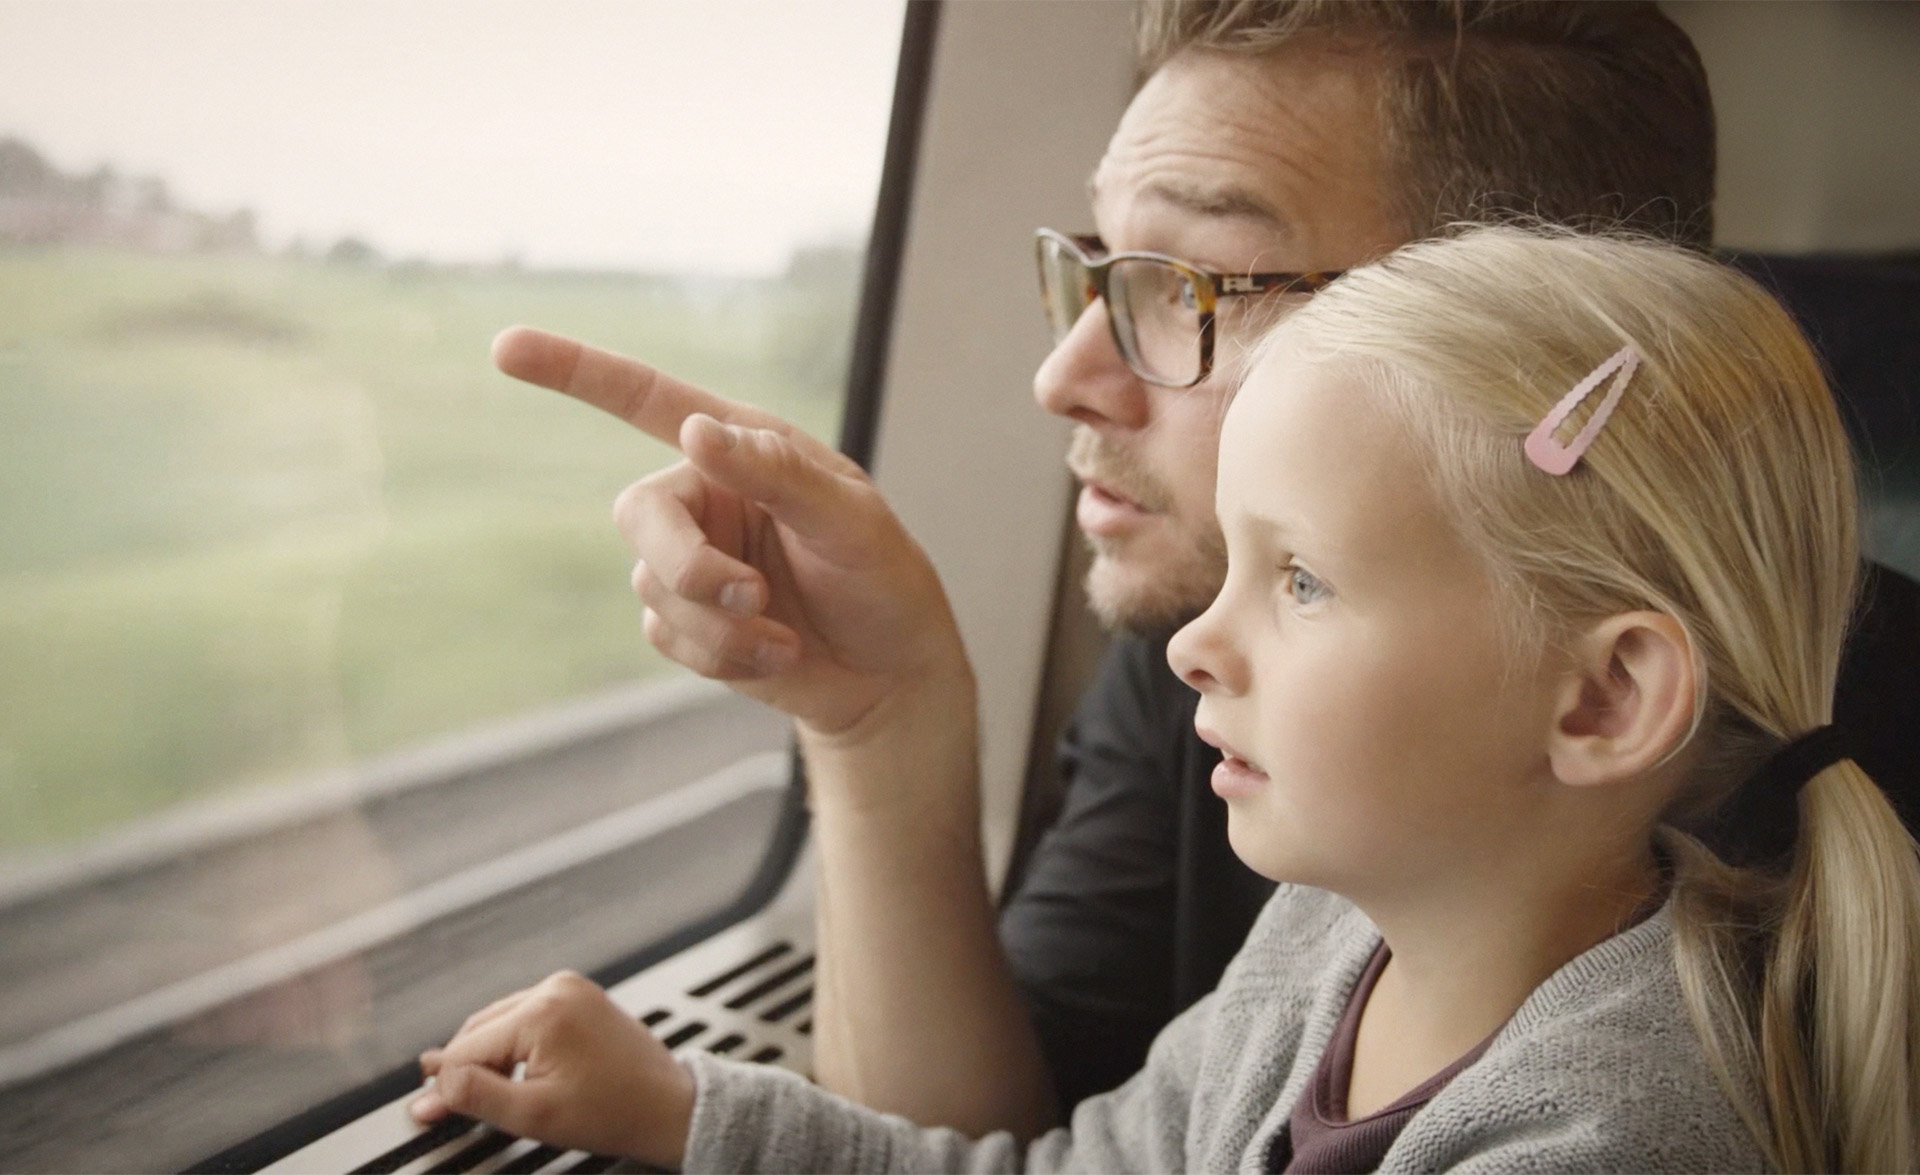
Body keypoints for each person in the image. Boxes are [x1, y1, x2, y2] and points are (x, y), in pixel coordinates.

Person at [410, 0, 1920, 1143]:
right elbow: (1029, 1149)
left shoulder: (1647, 1073)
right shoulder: (1261, 764)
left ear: (1524, 316)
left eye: (1188, 286)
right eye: (1096, 269)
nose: (1064, 375)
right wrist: (880, 724)